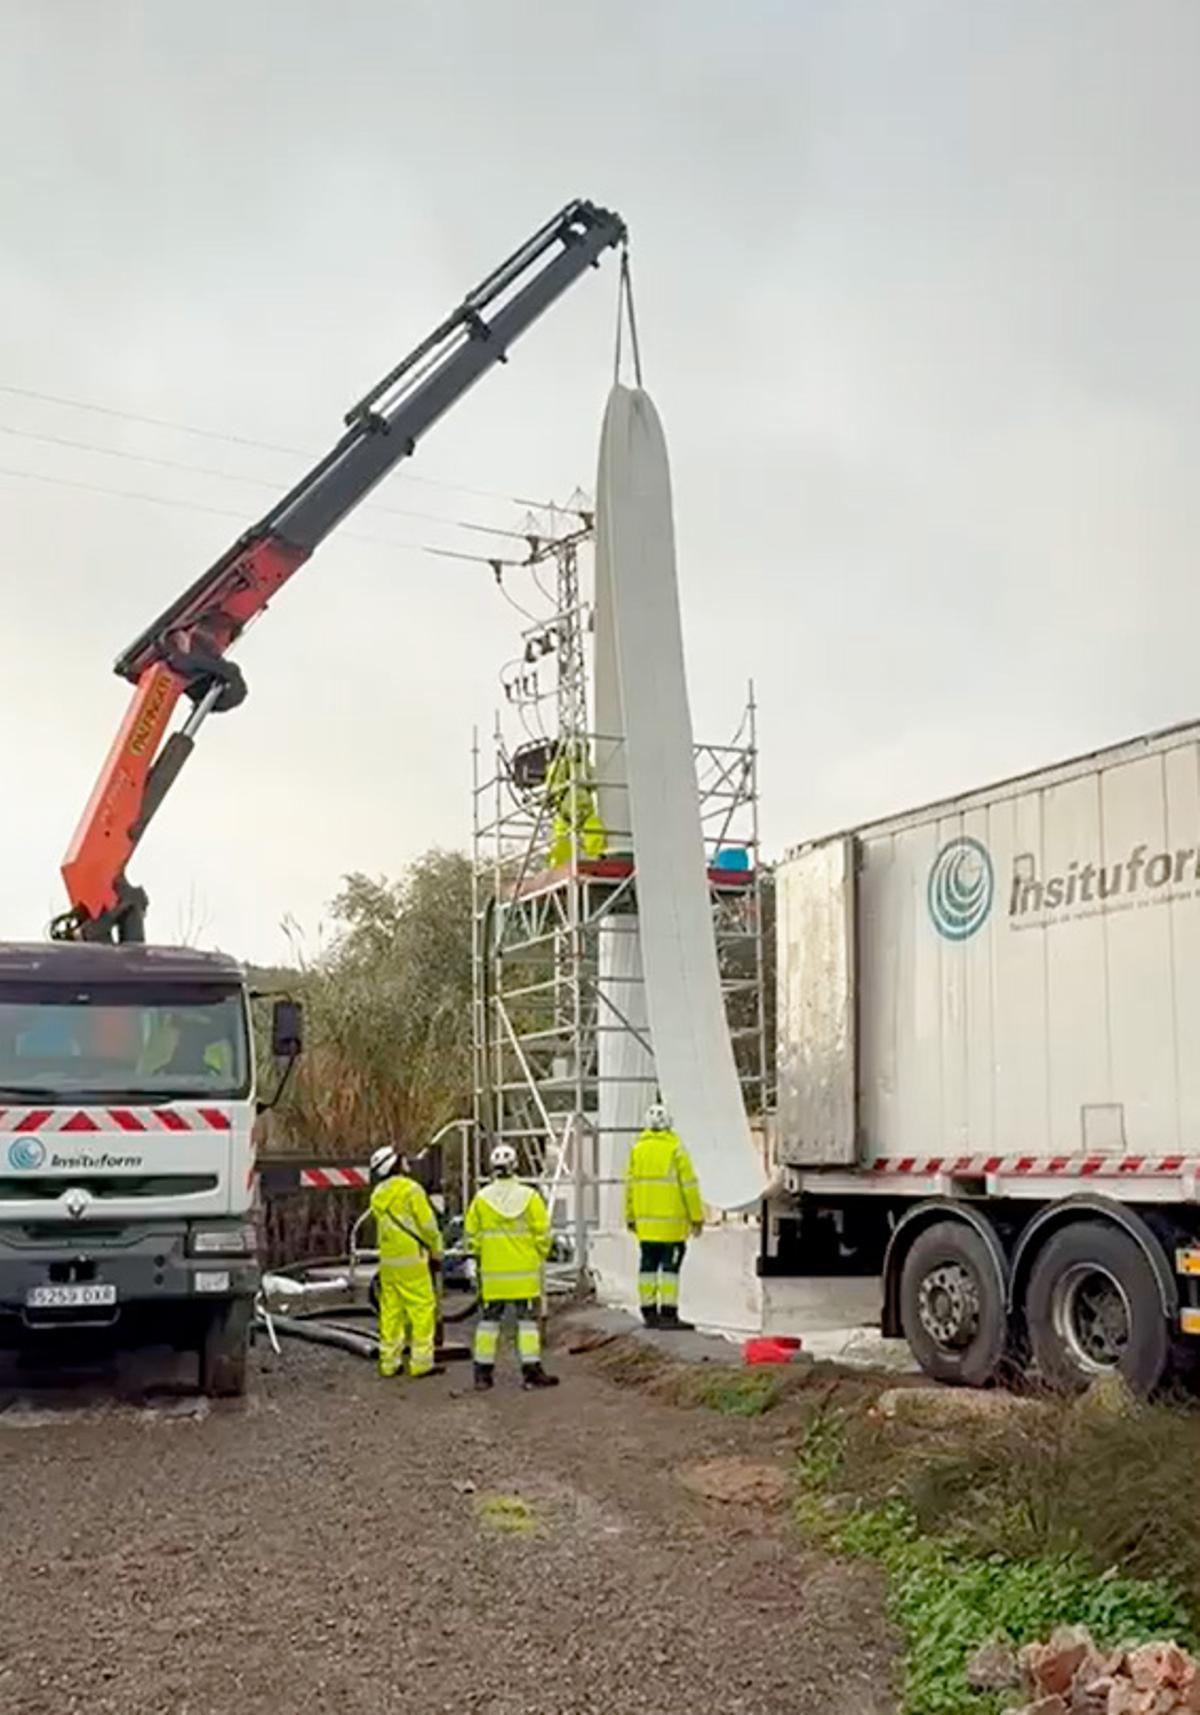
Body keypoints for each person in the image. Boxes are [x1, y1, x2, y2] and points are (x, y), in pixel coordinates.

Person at [465, 1142, 558, 1391]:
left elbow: (471, 1238)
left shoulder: (481, 1200)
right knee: (527, 1324)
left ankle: (482, 1375)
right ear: (515, 1166)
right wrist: (539, 1255)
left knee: (488, 1324)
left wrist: (482, 1259)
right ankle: (531, 1373)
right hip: (524, 1276)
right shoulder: (529, 1197)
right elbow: (543, 1233)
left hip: (493, 1277)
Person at [624, 1101, 704, 1330]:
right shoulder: (676, 1149)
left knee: (647, 1267)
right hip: (672, 1227)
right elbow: (688, 1186)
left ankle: (648, 1312)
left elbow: (629, 1186)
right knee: (670, 1270)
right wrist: (696, 1217)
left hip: (646, 1227)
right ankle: (669, 1314)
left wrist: (630, 1216)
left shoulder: (637, 1150)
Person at [369, 1144, 444, 1381]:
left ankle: (389, 1363)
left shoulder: (378, 1195)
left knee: (391, 1313)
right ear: (394, 1164)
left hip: (389, 1266)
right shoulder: (412, 1190)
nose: (407, 1163)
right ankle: (421, 1363)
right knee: (422, 1309)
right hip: (413, 1261)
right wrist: (437, 1251)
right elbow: (428, 1226)